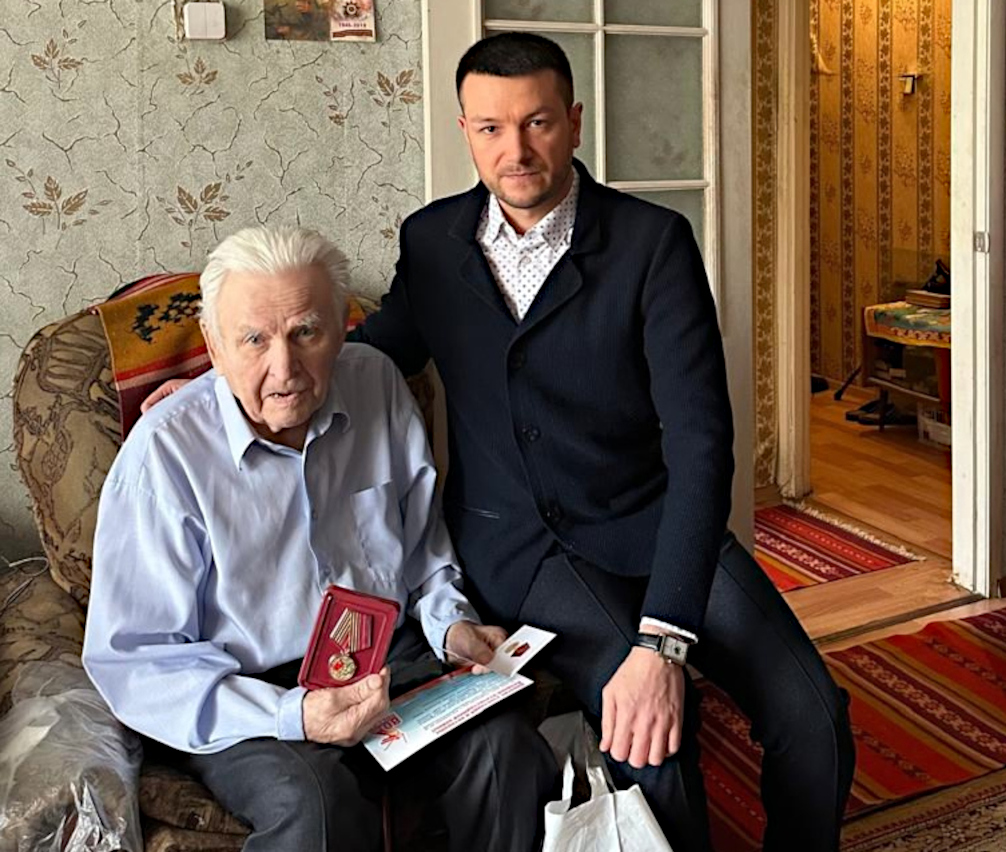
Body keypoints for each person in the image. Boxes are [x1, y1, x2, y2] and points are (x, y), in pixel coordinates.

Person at [143, 34, 857, 851]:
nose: (514, 150)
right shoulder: (432, 242)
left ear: (574, 122)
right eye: (490, 128)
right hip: (524, 550)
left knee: (815, 716)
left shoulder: (652, 243)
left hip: (651, 522)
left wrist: (664, 638)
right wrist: (211, 386)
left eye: (537, 123)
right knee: (645, 730)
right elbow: (368, 351)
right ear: (466, 132)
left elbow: (701, 442)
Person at [85, 226, 556, 852]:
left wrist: (451, 625)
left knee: (506, 751)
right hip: (247, 689)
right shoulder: (165, 454)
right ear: (214, 345)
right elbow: (136, 660)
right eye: (254, 339)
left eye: (306, 332)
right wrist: (292, 714)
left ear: (341, 328)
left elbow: (423, 552)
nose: (285, 369)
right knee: (317, 806)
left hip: (385, 654)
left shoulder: (376, 382)